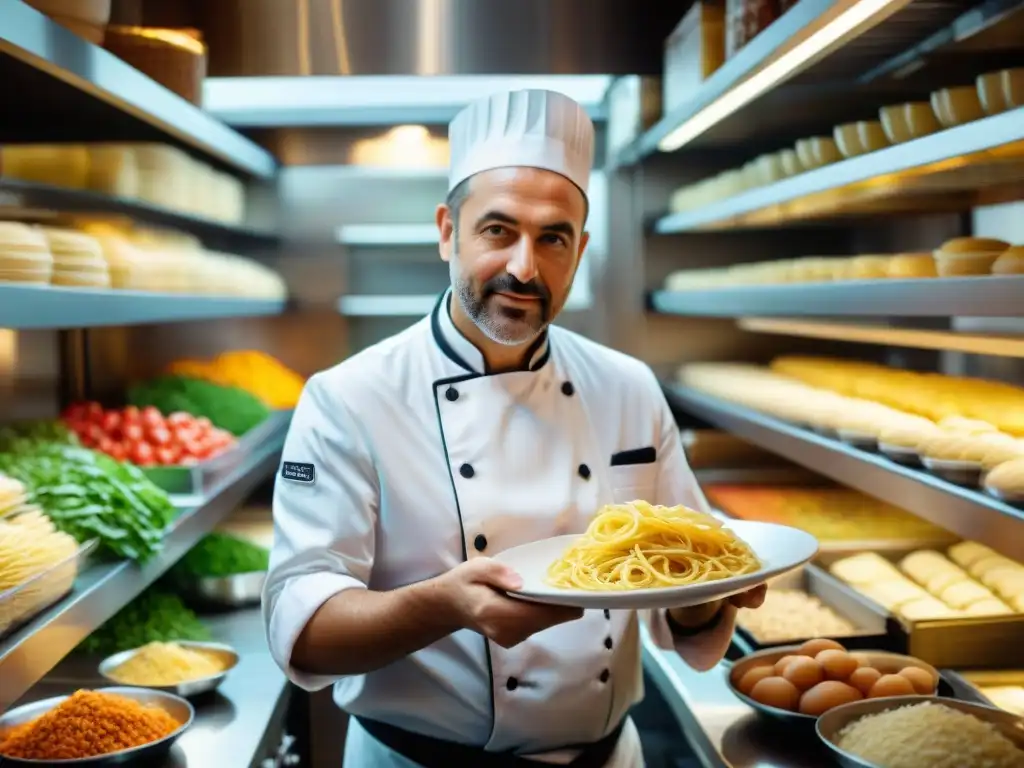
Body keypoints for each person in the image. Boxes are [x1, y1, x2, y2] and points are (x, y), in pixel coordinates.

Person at [263, 88, 765, 768]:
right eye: (498, 231)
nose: (524, 268)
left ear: (580, 250)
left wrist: (711, 598)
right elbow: (304, 625)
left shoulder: (627, 386)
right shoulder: (350, 398)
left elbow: (681, 591)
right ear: (447, 230)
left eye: (552, 238)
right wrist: (444, 607)